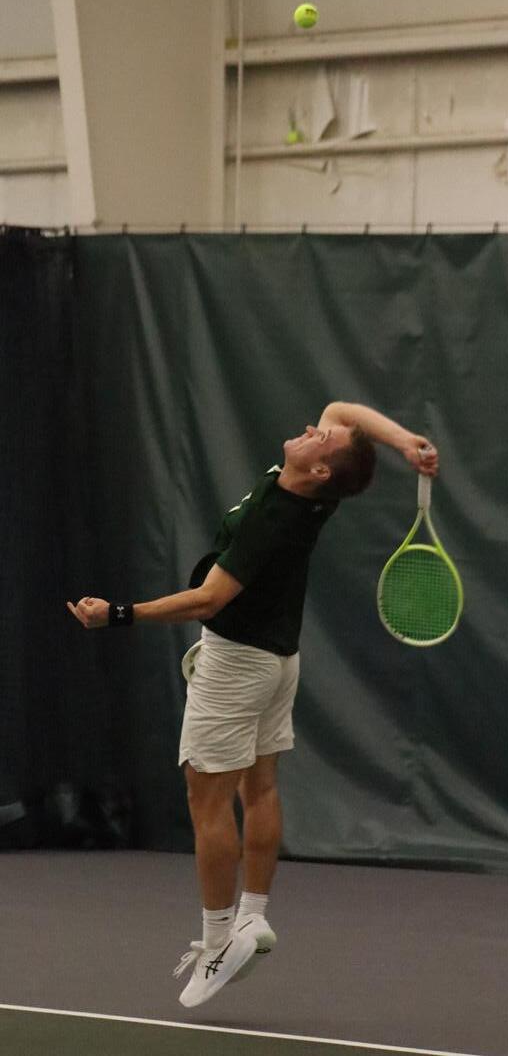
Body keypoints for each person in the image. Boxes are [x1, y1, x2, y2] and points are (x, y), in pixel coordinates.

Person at [68, 401, 438, 1009]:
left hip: (236, 664)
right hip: (278, 661)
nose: (313, 428)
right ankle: (253, 916)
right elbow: (342, 410)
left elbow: (208, 600)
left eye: (321, 439)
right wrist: (404, 442)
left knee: (207, 799)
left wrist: (119, 614)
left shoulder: (277, 516)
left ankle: (218, 942)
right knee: (259, 787)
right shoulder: (315, 488)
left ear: (320, 470)